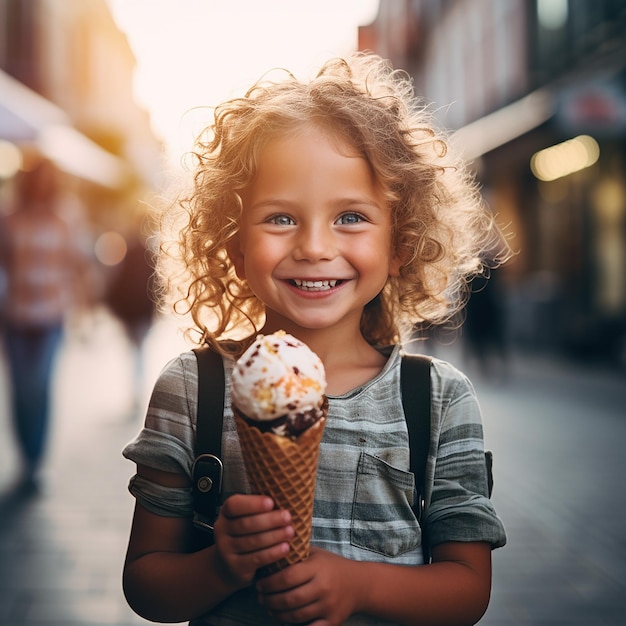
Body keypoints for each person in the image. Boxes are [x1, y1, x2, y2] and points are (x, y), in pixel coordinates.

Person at [122, 53, 510, 626]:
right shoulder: (192, 388)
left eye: (350, 217)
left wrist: (359, 585)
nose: (313, 246)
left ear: (399, 242)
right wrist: (222, 566)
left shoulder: (438, 400)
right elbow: (146, 585)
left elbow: (468, 588)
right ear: (233, 243)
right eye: (280, 218)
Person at [1, 158, 91, 491]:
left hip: (51, 315)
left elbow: (78, 263)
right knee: (21, 390)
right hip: (16, 314)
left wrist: (86, 308)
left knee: (39, 387)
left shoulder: (66, 218)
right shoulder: (9, 218)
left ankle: (36, 458)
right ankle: (26, 455)